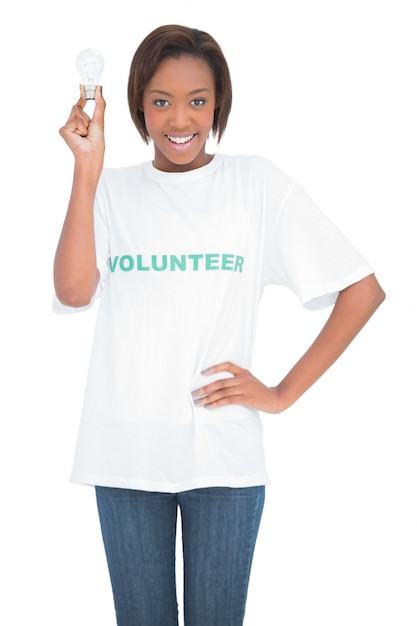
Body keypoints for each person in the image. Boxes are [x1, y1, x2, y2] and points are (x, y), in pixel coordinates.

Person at [54, 24, 385, 626]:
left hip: (224, 457)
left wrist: (281, 394)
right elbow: (74, 291)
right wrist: (87, 167)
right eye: (161, 101)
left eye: (197, 101)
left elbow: (362, 289)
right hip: (125, 453)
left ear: (218, 104)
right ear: (138, 107)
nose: (180, 119)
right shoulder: (111, 191)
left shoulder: (255, 184)